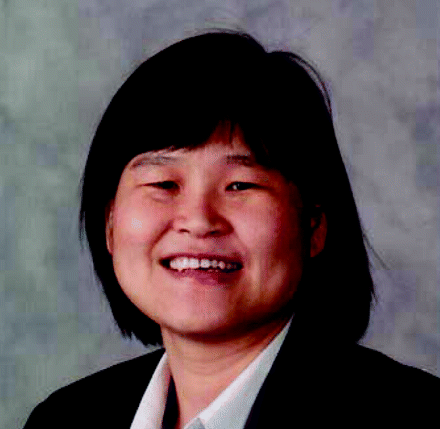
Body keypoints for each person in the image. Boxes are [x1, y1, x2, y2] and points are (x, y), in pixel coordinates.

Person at [24, 30, 439, 429]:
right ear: (110, 223)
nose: (199, 220)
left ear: (313, 226)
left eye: (240, 185)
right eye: (163, 184)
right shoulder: (64, 418)